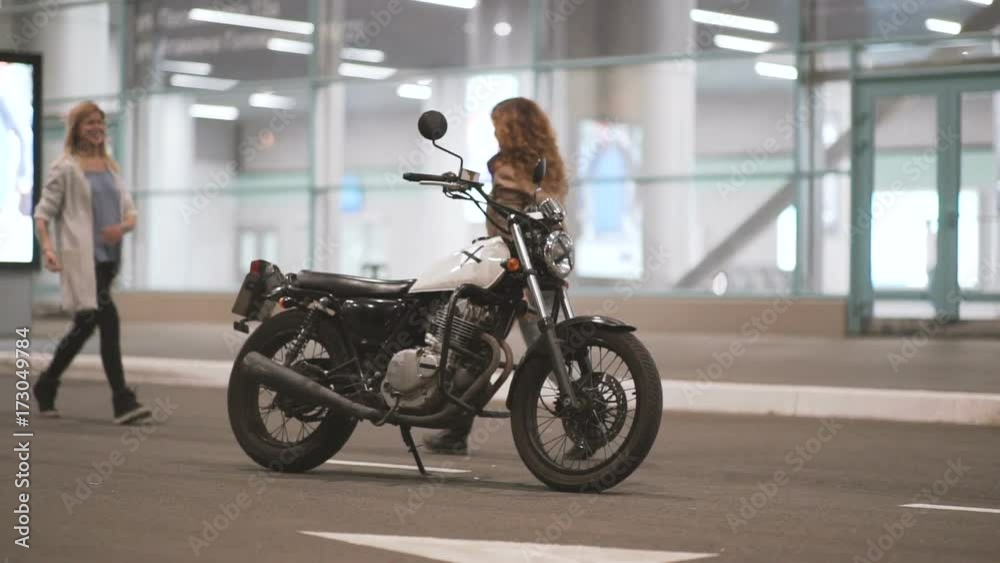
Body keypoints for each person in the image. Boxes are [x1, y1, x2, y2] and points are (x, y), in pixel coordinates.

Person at [423, 97, 569, 455]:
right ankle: (585, 420)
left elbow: (506, 226)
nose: (494, 134)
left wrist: (515, 276)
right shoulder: (548, 166)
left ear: (511, 129)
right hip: (545, 269)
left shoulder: (508, 169)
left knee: (478, 353)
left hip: (513, 274)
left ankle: (455, 431)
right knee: (555, 352)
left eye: (497, 127)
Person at [32, 101, 152, 424]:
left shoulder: (110, 167)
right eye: (90, 123)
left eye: (100, 122)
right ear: (77, 129)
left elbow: (130, 211)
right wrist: (48, 249)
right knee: (109, 322)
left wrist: (121, 228)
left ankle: (46, 383)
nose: (97, 127)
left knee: (84, 326)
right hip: (84, 261)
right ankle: (122, 400)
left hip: (109, 260)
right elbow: (43, 214)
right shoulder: (65, 167)